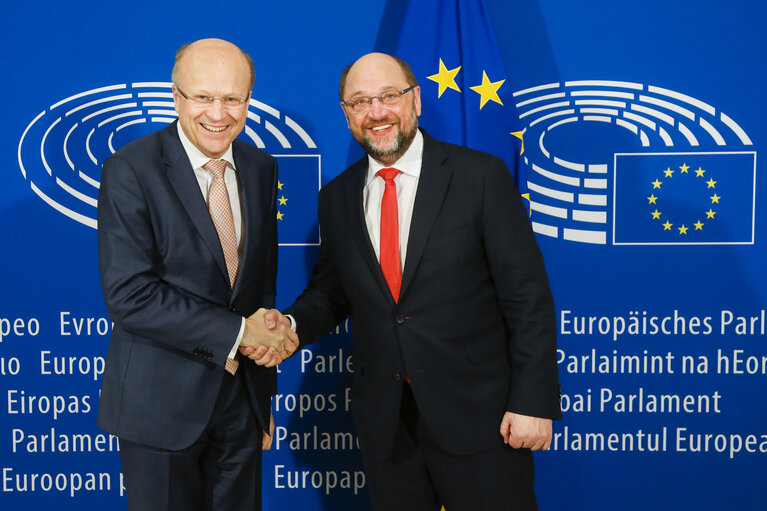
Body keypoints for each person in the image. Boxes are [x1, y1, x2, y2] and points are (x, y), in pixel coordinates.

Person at [254, 52, 560, 510]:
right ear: (346, 114)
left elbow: (528, 298)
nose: (376, 112)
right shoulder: (336, 198)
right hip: (388, 426)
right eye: (360, 102)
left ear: (415, 99)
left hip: (482, 419)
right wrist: (292, 328)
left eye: (388, 96)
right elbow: (333, 292)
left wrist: (533, 402)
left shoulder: (480, 177)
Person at [96, 38, 298, 511]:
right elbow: (130, 295)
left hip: (239, 407)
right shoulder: (130, 168)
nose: (218, 112)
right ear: (176, 96)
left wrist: (261, 397)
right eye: (203, 97)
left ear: (249, 100)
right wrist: (236, 331)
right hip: (160, 407)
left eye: (233, 98)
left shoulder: (260, 167)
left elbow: (258, 289)